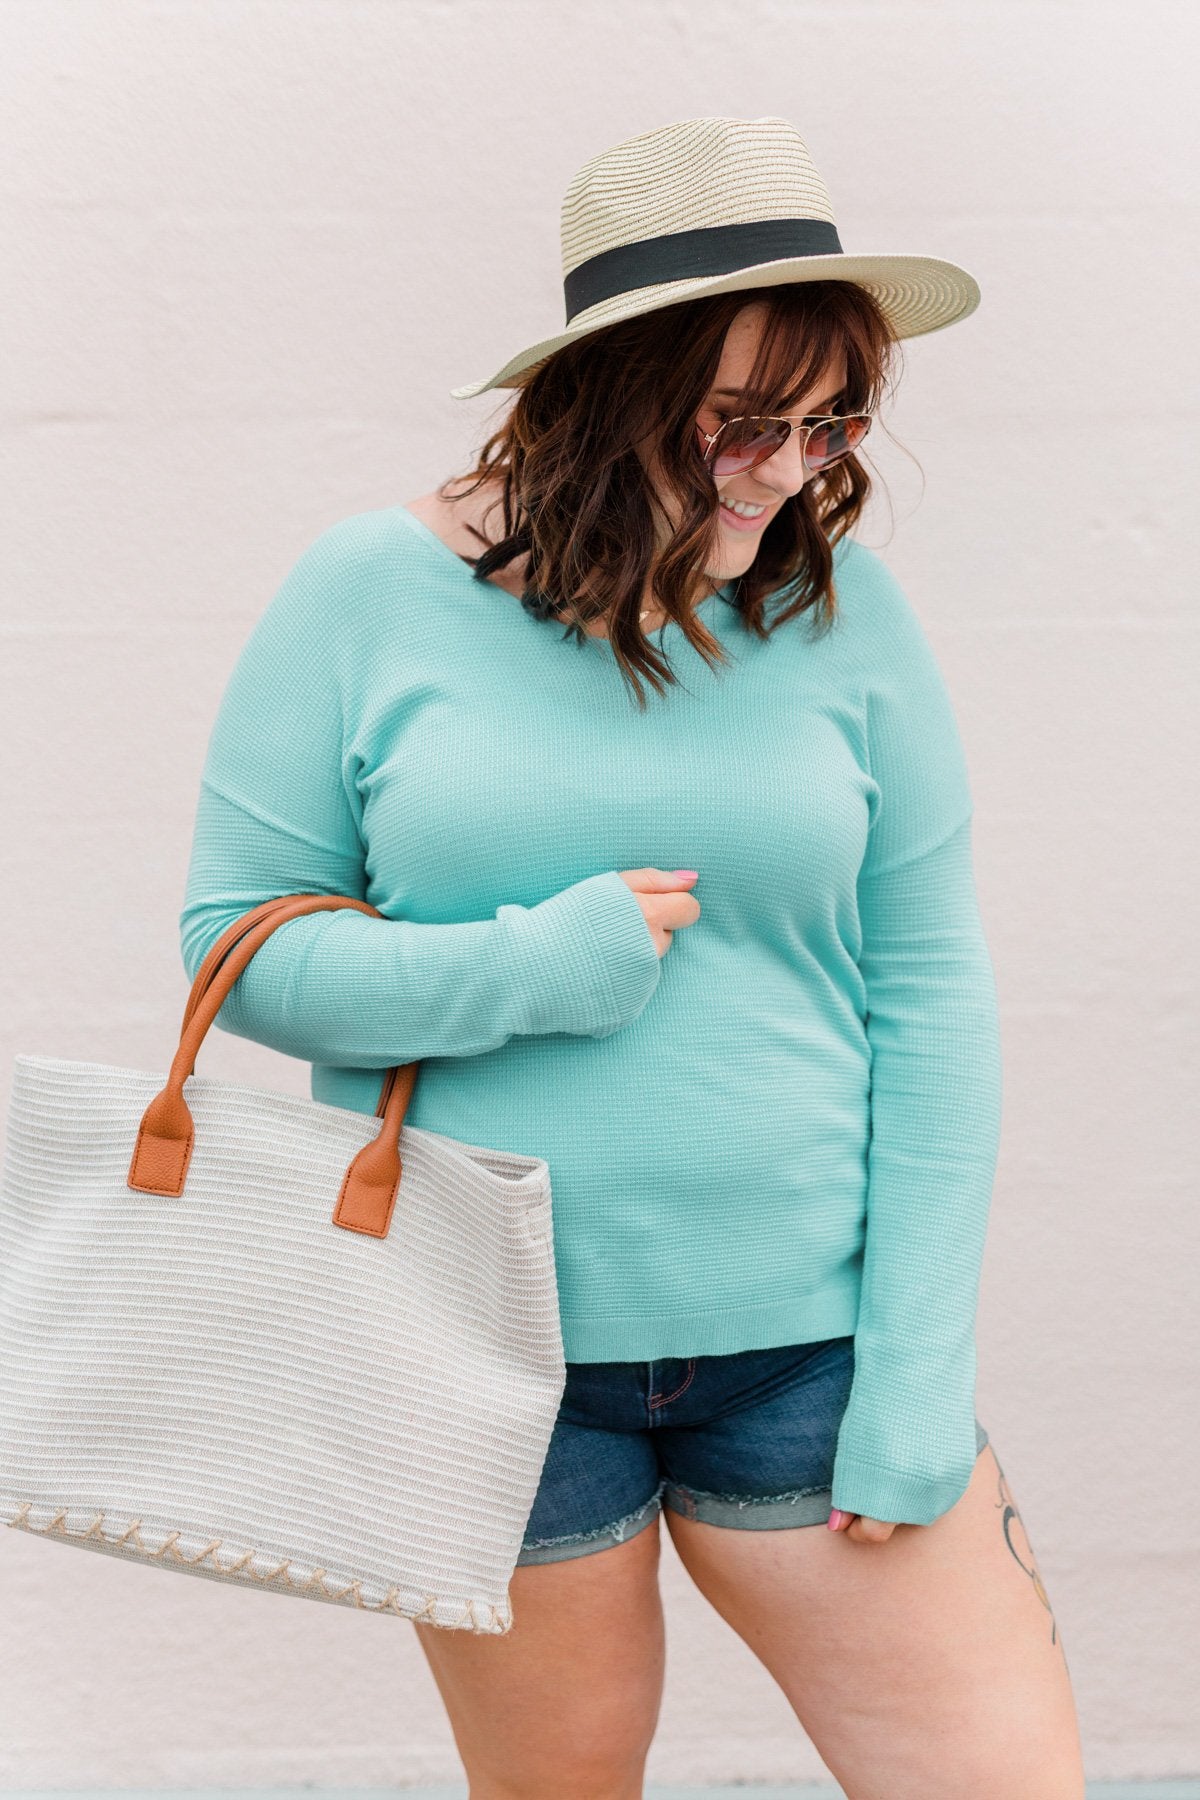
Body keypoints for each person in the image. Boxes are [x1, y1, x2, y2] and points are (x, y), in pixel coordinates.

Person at [179, 117, 1086, 1798]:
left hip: (811, 1355)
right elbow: (236, 953)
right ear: (603, 391)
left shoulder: (845, 617)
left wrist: (920, 1373)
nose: (789, 470)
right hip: (485, 1353)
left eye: (832, 423)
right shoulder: (367, 592)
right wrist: (533, 967)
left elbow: (933, 999)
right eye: (746, 422)